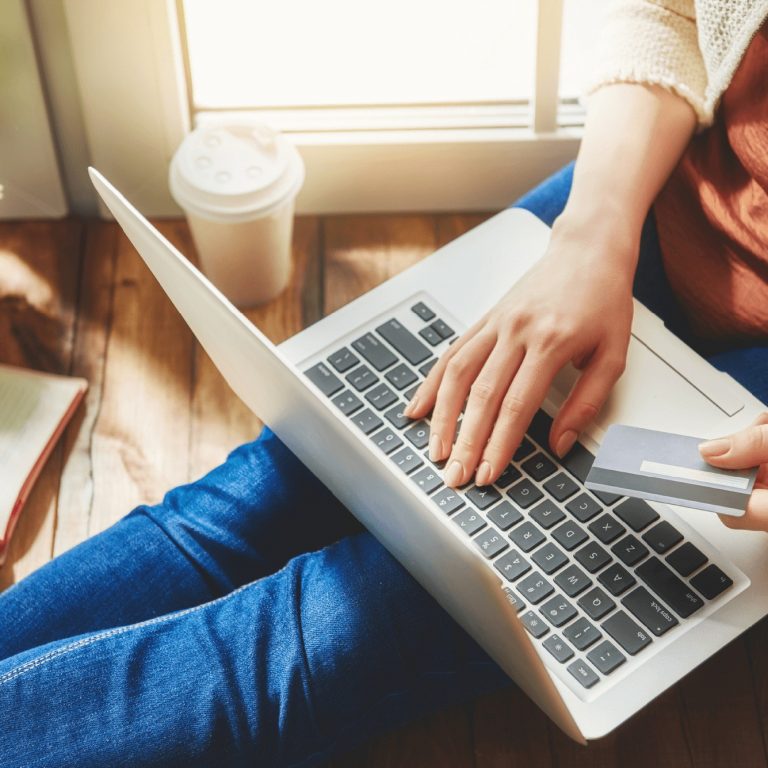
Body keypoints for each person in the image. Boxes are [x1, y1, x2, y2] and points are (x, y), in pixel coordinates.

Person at [1, 1, 767, 765]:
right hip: (652, 198)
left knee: (320, 633)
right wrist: (593, 231)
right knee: (259, 494)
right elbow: (672, 12)